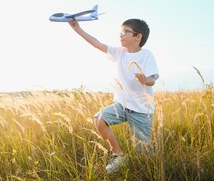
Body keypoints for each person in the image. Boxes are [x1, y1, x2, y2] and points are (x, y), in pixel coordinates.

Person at [68, 18, 159, 174]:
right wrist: (77, 29)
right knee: (99, 119)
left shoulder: (146, 55)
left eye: (125, 32)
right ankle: (119, 155)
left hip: (141, 111)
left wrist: (145, 79)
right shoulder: (119, 52)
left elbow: (153, 79)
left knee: (144, 154)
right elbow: (97, 44)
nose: (121, 35)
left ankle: (149, 170)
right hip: (122, 106)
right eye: (120, 32)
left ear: (138, 37)